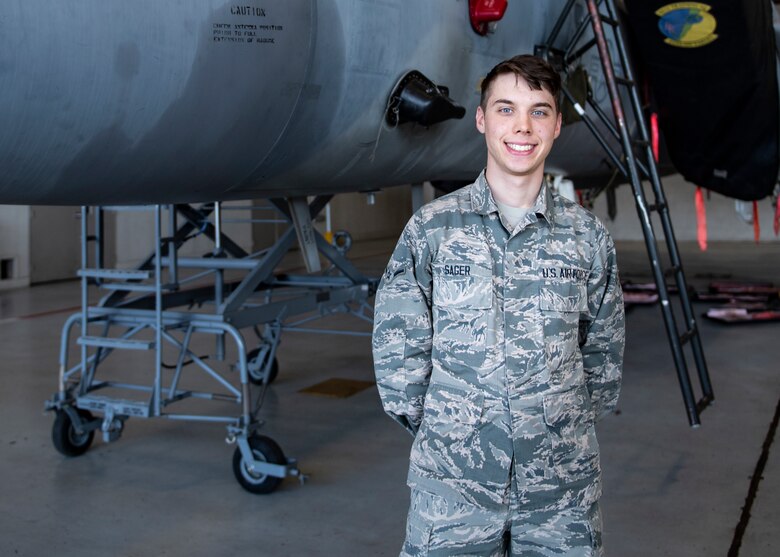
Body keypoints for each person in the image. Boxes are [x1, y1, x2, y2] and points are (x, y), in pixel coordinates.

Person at [372, 54, 625, 556]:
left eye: (538, 111)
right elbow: (398, 355)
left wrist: (554, 426)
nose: (522, 127)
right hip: (454, 490)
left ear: (556, 124)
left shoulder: (587, 238)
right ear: (482, 120)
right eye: (506, 109)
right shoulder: (432, 230)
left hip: (560, 491)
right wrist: (455, 430)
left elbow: (603, 358)